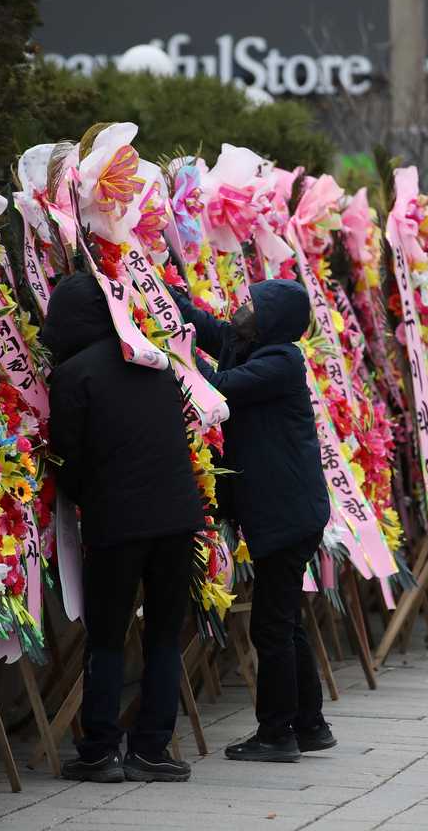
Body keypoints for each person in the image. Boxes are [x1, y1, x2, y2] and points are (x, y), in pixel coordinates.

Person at [44, 273, 204, 783]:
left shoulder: (73, 374)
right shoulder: (153, 362)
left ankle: (99, 751)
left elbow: (65, 459)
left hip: (118, 522)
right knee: (162, 635)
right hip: (178, 518)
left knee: (108, 637)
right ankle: (153, 749)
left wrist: (87, 496)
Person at [171, 279, 334, 763]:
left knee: (271, 628)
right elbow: (206, 325)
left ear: (271, 320)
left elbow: (216, 388)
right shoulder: (249, 345)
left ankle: (277, 733)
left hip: (287, 516)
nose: (239, 308)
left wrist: (175, 356)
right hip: (282, 513)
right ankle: (309, 723)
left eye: (251, 304)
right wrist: (156, 289)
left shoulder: (280, 362)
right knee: (285, 622)